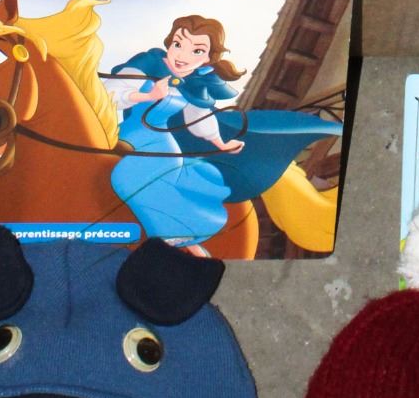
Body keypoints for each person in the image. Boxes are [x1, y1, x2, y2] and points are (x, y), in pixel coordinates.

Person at [108, 15, 335, 246]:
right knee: (131, 173)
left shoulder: (195, 83)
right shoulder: (149, 63)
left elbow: (199, 119)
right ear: (170, 43)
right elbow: (111, 94)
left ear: (208, 58)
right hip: (133, 133)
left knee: (173, 169)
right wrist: (147, 95)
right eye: (178, 44)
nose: (182, 56)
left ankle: (174, 232)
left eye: (197, 51)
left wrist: (221, 144)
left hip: (164, 141)